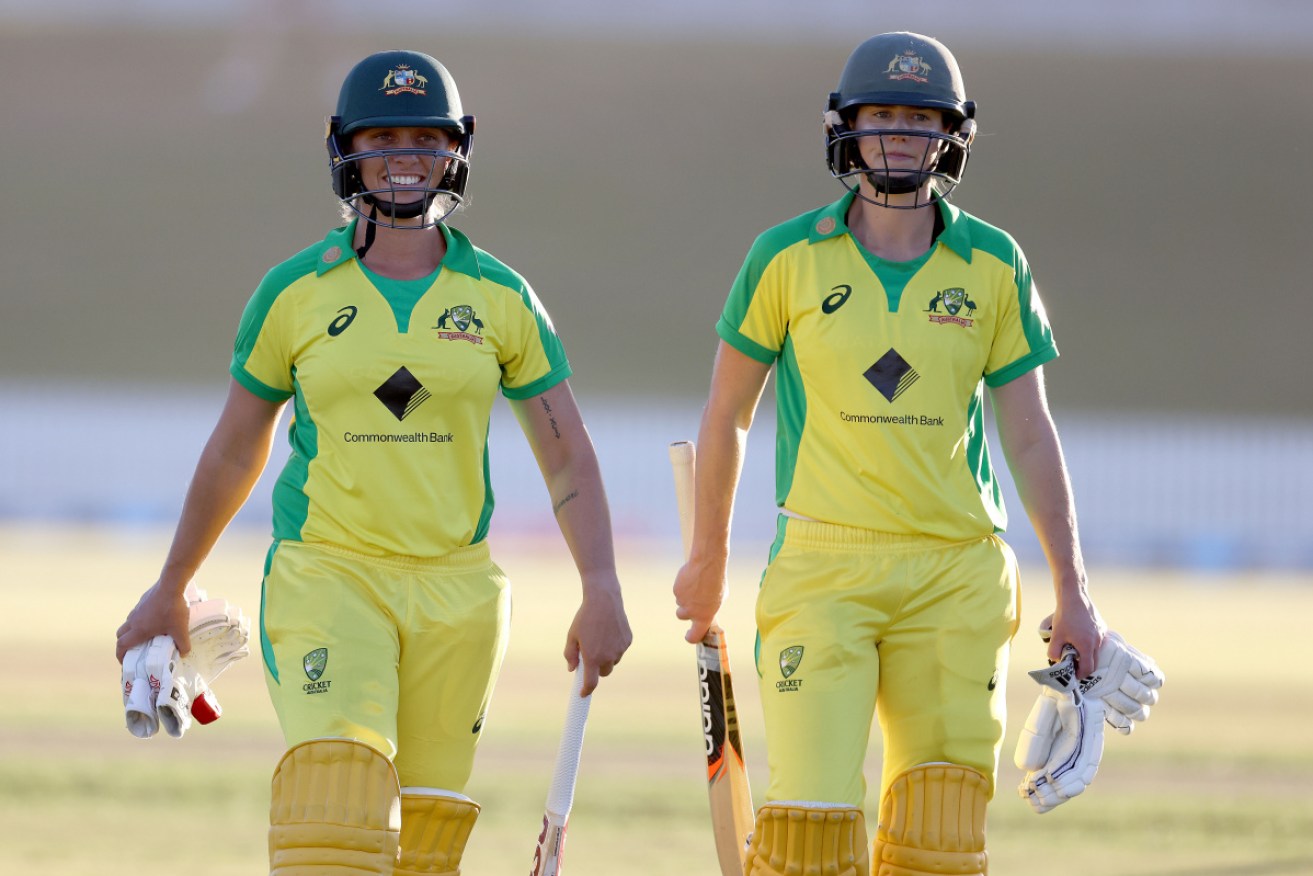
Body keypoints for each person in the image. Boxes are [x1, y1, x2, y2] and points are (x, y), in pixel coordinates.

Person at [114, 49, 632, 875]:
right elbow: (233, 449)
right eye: (380, 137)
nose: (401, 156)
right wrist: (170, 585)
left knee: (423, 845)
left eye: (422, 139)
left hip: (457, 594)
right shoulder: (294, 291)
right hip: (329, 575)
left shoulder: (502, 297)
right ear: (344, 151)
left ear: (454, 151)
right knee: (340, 808)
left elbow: (567, 459)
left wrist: (600, 586)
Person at [672, 32, 1106, 875]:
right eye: (882, 117)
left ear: (952, 135)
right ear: (847, 129)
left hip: (955, 571)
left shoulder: (993, 263)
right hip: (822, 566)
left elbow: (1028, 431)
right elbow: (728, 413)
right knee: (807, 835)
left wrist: (1073, 592)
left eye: (920, 118)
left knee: (938, 837)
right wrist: (707, 559)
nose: (901, 135)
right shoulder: (784, 257)